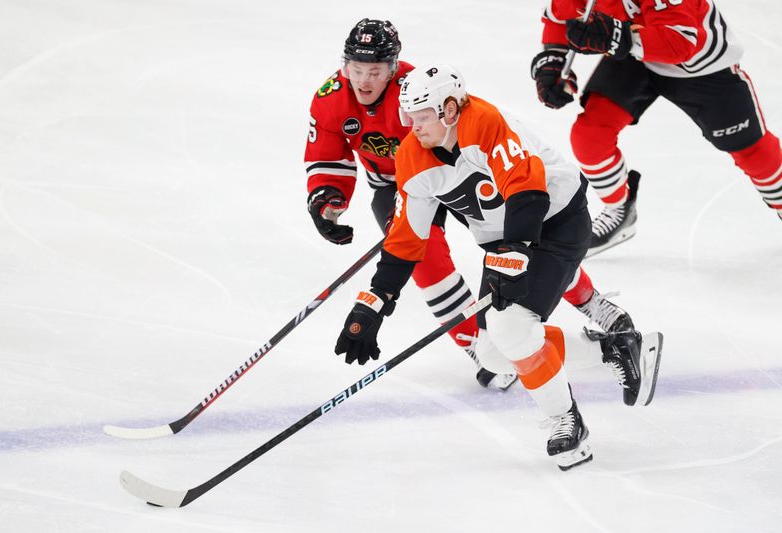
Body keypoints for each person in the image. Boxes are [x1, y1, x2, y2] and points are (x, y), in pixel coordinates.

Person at [333, 63, 664, 470]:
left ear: (450, 110)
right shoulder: (413, 158)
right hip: (506, 239)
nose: (413, 127)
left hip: (556, 220)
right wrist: (373, 303)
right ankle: (614, 350)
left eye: (422, 117)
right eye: (409, 117)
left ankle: (564, 420)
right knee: (491, 354)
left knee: (513, 329)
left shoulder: (484, 123)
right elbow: (405, 240)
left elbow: (527, 191)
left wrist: (513, 257)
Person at [305, 18, 633, 391]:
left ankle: (590, 302)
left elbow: (462, 128)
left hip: (454, 173)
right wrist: (327, 198)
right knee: (424, 262)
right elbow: (327, 156)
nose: (363, 81)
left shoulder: (418, 90)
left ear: (394, 67)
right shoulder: (331, 98)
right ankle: (479, 346)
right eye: (356, 69)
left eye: (375, 71)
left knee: (519, 238)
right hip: (397, 185)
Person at [531, 0, 782, 256]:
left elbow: (681, 43)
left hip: (700, 66)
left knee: (754, 152)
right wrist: (553, 62)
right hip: (635, 55)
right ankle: (619, 210)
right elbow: (559, 15)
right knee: (590, 135)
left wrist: (616, 36)